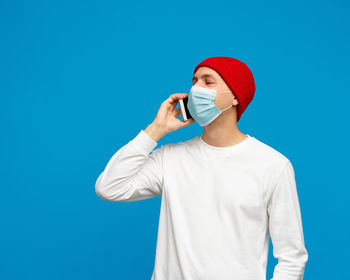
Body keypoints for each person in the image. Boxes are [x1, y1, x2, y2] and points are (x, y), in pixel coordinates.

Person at [95, 56, 308, 280]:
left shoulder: (272, 165)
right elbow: (109, 188)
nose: (196, 89)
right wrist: (156, 129)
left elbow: (292, 258)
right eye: (194, 81)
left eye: (208, 82)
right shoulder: (171, 158)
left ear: (235, 97)